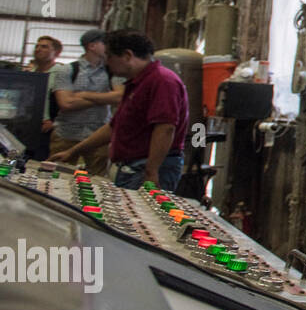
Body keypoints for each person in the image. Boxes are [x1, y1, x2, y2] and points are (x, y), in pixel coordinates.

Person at [50, 30, 188, 191]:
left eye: (109, 56)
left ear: (127, 56)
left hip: (147, 168)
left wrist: (151, 171)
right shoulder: (136, 83)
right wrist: (73, 151)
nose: (106, 62)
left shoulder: (162, 81)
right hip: (134, 167)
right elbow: (113, 127)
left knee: (140, 214)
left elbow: (165, 128)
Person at [48, 29, 122, 177]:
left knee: (96, 181)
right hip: (66, 135)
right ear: (92, 46)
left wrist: (84, 95)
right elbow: (66, 104)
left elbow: (120, 98)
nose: (109, 47)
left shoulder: (112, 71)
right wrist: (104, 98)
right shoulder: (67, 70)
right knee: (58, 176)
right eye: (105, 43)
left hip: (98, 137)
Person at [23, 35, 69, 160]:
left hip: (47, 130)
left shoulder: (62, 73)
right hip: (26, 127)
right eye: (37, 46)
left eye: (44, 47)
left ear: (56, 52)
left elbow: (67, 101)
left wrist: (54, 122)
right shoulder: (30, 74)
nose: (38, 49)